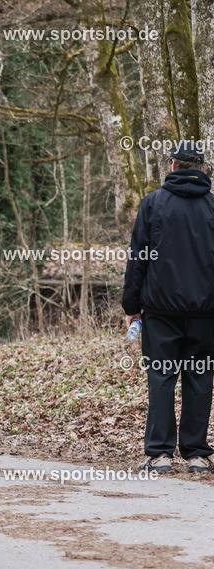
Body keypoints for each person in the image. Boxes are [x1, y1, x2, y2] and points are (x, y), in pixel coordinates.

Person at [124, 140, 214, 474]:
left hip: (161, 312)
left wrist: (131, 306)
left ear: (172, 165)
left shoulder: (153, 204)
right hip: (205, 313)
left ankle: (160, 454)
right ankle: (197, 454)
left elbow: (138, 260)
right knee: (200, 378)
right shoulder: (213, 207)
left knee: (161, 378)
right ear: (201, 169)